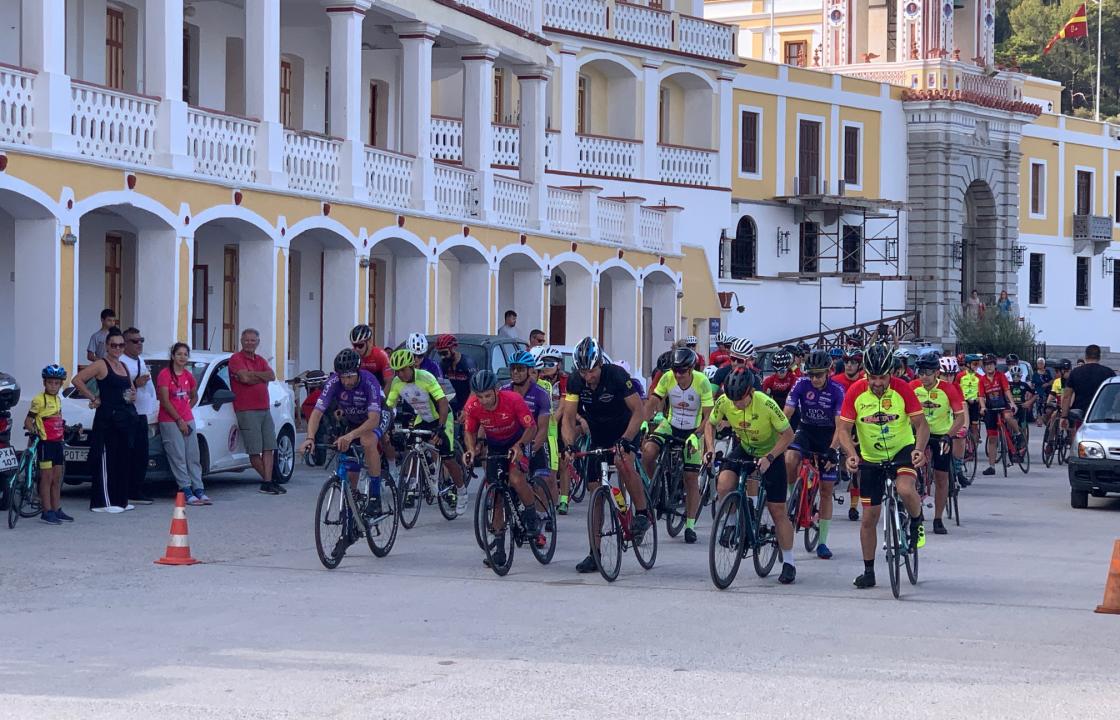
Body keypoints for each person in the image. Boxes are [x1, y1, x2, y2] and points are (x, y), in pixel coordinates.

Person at [835, 343, 929, 590]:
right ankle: (868, 571)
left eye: (882, 377)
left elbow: (921, 425)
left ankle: (917, 522)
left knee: (905, 489)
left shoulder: (903, 390)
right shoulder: (855, 392)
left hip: (902, 449)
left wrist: (919, 448)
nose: (877, 382)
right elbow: (843, 429)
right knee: (869, 517)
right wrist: (851, 454)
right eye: (872, 377)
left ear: (891, 373)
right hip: (870, 457)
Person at [561, 337, 648, 574]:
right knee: (594, 490)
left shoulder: (617, 376)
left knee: (622, 461)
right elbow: (568, 418)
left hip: (624, 429)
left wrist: (626, 439)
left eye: (592, 371)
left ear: (600, 364)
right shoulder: (575, 381)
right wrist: (569, 445)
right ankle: (594, 552)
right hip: (599, 434)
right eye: (584, 371)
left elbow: (639, 413)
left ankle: (641, 513)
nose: (588, 377)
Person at [703, 367, 798, 584]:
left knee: (777, 510)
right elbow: (710, 423)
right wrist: (709, 448)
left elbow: (788, 435)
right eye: (733, 399)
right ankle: (734, 523)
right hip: (745, 447)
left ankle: (789, 562)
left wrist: (770, 458)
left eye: (741, 400)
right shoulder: (726, 401)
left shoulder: (765, 403)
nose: (736, 404)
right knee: (724, 483)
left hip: (771, 451)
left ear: (750, 392)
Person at [463, 370, 540, 568]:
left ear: (497, 390)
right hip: (496, 445)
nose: (484, 401)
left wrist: (520, 446)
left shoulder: (513, 400)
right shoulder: (473, 406)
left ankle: (531, 517)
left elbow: (532, 428)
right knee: (496, 495)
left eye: (488, 395)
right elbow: (470, 431)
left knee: (515, 478)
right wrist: (471, 450)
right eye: (479, 397)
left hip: (519, 440)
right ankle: (498, 550)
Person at [641, 347, 713, 545]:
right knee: (647, 452)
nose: (678, 375)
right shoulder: (667, 378)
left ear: (691, 369)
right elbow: (653, 401)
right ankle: (656, 485)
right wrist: (645, 421)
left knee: (690, 478)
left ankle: (689, 525)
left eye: (682, 371)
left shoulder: (702, 382)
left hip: (693, 429)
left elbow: (709, 416)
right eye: (675, 370)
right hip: (670, 425)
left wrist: (697, 435)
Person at [301, 349, 386, 513]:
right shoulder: (333, 382)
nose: (346, 381)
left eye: (350, 376)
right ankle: (352, 500)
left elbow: (374, 419)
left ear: (358, 371)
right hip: (354, 418)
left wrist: (350, 435)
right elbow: (317, 413)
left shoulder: (369, 381)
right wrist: (310, 437)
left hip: (376, 416)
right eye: (343, 376)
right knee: (349, 457)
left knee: (367, 441)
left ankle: (375, 496)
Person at [385, 348, 468, 514]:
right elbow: (389, 407)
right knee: (412, 447)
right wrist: (388, 426)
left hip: (443, 417)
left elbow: (443, 402)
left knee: (448, 458)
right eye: (397, 371)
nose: (400, 374)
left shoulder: (426, 377)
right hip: (422, 417)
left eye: (403, 370)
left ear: (411, 366)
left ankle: (461, 491)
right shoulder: (396, 382)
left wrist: (441, 427)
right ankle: (413, 483)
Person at [783, 350, 844, 558]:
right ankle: (793, 494)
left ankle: (823, 542)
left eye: (819, 374)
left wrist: (833, 451)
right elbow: (787, 413)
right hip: (807, 430)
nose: (815, 379)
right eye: (811, 374)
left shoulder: (837, 390)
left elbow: (840, 427)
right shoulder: (801, 384)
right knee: (790, 458)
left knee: (826, 490)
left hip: (828, 435)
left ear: (828, 372)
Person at [72, 327, 138, 513]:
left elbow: (130, 388)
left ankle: (120, 500)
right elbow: (77, 380)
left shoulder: (123, 365)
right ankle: (103, 502)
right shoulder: (101, 364)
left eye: (121, 345)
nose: (118, 348)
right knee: (106, 459)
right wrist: (93, 398)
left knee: (122, 459)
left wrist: (133, 396)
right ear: (107, 346)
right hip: (107, 419)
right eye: (114, 345)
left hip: (123, 419)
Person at [910, 355, 966, 535]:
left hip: (941, 435)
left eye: (927, 372)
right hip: (917, 434)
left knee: (941, 478)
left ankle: (938, 518)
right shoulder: (912, 387)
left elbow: (960, 417)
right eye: (920, 372)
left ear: (936, 373)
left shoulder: (948, 389)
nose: (923, 376)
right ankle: (915, 511)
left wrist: (949, 436)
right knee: (911, 474)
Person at [228, 329, 282, 495]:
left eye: (253, 340)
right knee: (254, 449)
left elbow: (271, 376)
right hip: (246, 410)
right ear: (241, 341)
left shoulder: (260, 359)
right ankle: (268, 481)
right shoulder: (236, 359)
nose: (249, 343)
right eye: (247, 340)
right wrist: (259, 376)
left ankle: (268, 482)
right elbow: (244, 378)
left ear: (257, 342)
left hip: (264, 408)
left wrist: (253, 376)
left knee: (269, 447)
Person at [157, 343, 208, 505]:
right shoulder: (164, 375)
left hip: (187, 418)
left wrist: (186, 410)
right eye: (179, 354)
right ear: (173, 356)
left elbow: (194, 396)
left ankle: (198, 489)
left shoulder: (188, 375)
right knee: (178, 455)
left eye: (185, 354)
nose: (182, 357)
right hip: (170, 420)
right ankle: (185, 489)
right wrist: (179, 419)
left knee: (193, 455)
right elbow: (164, 400)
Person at [26, 365, 71, 524]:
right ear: (44, 383)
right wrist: (34, 432)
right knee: (46, 478)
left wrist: (68, 428)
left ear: (61, 384)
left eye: (56, 383)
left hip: (57, 443)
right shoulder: (39, 399)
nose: (53, 386)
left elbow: (57, 419)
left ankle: (56, 509)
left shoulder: (58, 399)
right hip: (45, 444)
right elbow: (28, 421)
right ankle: (46, 511)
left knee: (57, 478)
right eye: (50, 382)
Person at [503, 351, 553, 494]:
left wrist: (529, 451)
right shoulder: (504, 391)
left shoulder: (541, 394)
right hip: (511, 441)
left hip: (533, 442)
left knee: (540, 482)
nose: (516, 372)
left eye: (520, 368)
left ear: (530, 370)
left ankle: (541, 514)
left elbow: (542, 429)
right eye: (513, 368)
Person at [119, 327, 155, 505]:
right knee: (130, 454)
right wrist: (135, 383)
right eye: (134, 341)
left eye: (141, 340)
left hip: (142, 413)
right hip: (129, 413)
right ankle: (128, 490)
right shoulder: (121, 362)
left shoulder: (140, 359)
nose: (139, 344)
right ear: (125, 344)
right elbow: (118, 388)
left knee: (142, 454)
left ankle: (137, 488)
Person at [978, 353, 1023, 475]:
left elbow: (1007, 390)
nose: (989, 367)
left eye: (991, 364)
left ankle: (1018, 434)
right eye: (987, 365)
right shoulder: (982, 380)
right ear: (984, 367)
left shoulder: (1001, 376)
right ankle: (991, 466)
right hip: (991, 409)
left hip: (1003, 405)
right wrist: (982, 407)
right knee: (992, 439)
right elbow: (981, 396)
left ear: (995, 365)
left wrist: (1012, 403)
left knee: (1008, 417)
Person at [1061, 344, 1116, 431]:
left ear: (1086, 356)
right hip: (1101, 413)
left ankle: (1074, 443)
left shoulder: (1075, 372)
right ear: (1099, 357)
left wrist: (1064, 416)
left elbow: (1067, 396)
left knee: (1077, 434)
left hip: (1079, 411)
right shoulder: (1109, 373)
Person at [436, 334, 477, 416]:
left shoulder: (468, 363)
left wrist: (466, 410)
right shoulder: (444, 364)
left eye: (444, 353)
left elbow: (474, 391)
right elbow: (439, 388)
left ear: (453, 349)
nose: (442, 357)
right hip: (458, 401)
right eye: (440, 354)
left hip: (474, 401)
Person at [1032, 357, 1054, 425]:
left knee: (1046, 406)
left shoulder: (1047, 372)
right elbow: (1033, 383)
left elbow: (1051, 381)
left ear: (1044, 364)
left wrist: (1047, 384)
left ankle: (1045, 419)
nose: (1040, 364)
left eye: (1041, 363)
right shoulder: (1035, 374)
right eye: (1039, 363)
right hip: (1039, 392)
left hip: (1046, 392)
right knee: (1039, 406)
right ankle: (1039, 420)